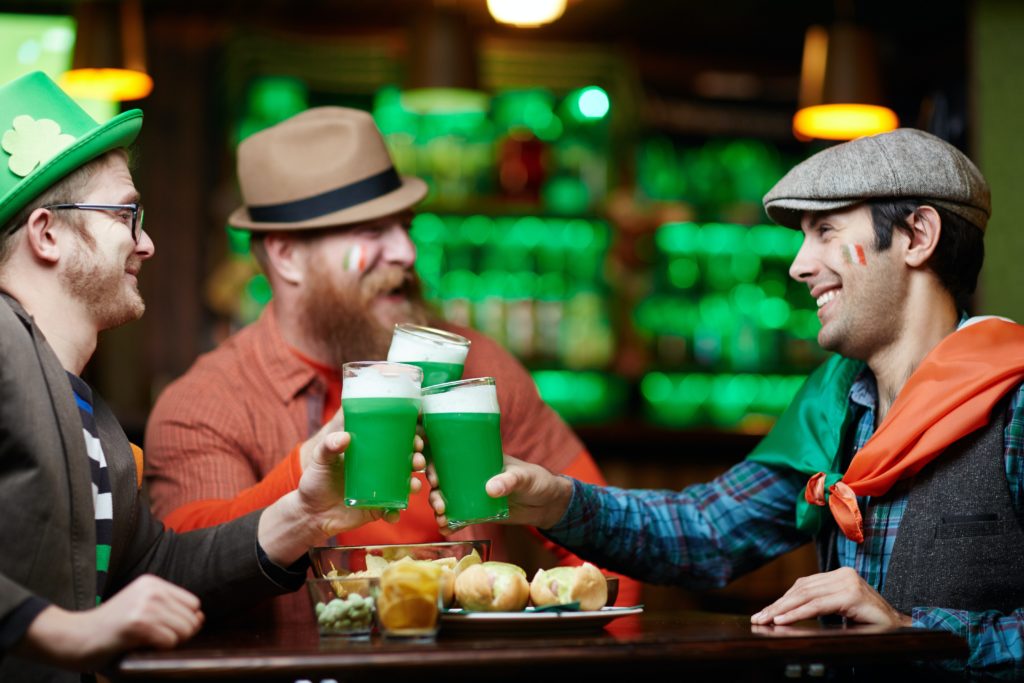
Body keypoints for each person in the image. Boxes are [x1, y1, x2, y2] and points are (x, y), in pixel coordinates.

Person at [429, 128, 1024, 674]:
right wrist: (557, 501)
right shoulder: (834, 405)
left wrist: (917, 632)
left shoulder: (1014, 402)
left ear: (918, 236)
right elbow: (705, 532)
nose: (798, 265)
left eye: (826, 232)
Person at [143, 106, 640, 624]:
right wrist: (303, 472)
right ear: (287, 256)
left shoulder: (479, 367)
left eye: (404, 226)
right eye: (371, 232)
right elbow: (185, 570)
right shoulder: (205, 403)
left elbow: (612, 547)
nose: (405, 251)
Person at [0, 72, 415, 682]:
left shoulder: (91, 418)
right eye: (126, 214)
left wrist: (304, 515)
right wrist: (65, 630)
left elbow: (158, 567)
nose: (146, 244)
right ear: (47, 233)